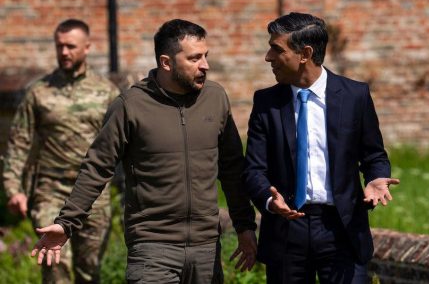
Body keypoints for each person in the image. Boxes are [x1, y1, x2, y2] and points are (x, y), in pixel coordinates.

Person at [30, 19, 257, 284]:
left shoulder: (216, 98)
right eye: (194, 58)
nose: (205, 65)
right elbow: (97, 166)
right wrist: (67, 222)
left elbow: (232, 169)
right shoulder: (130, 105)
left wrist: (244, 226)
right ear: (166, 62)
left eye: (206, 56)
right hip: (152, 249)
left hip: (206, 248)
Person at [243, 12, 400, 283]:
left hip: (342, 229)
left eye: (276, 49)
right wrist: (270, 201)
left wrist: (376, 178)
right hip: (286, 231)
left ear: (304, 53)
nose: (268, 57)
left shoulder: (355, 96)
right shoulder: (266, 102)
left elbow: (373, 155)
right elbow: (254, 170)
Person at [1, 19, 119, 283]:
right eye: (59, 46)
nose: (64, 52)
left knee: (89, 271)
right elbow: (19, 142)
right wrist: (14, 189)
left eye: (70, 46)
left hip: (93, 195)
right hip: (50, 191)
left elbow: (122, 144)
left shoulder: (107, 93)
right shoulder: (38, 93)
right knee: (55, 266)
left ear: (87, 47)